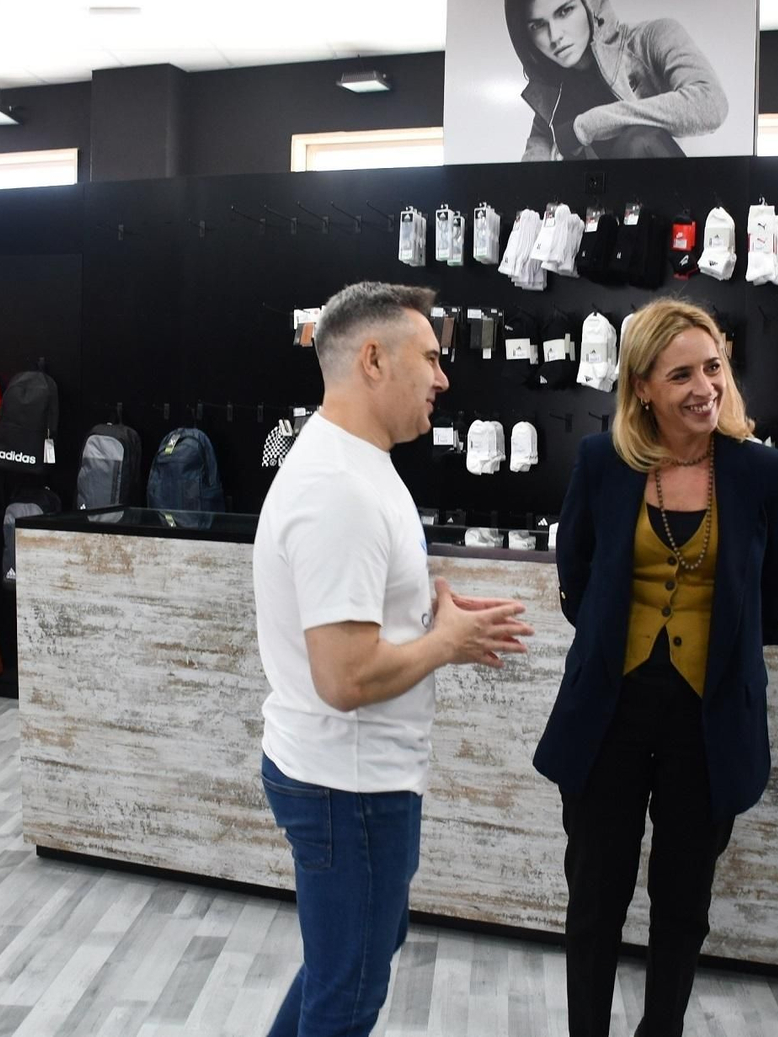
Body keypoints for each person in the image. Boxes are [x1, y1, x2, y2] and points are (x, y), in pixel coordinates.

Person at [253, 281, 535, 1037]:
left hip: (353, 777)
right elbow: (344, 677)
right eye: (431, 358)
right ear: (373, 359)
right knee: (347, 994)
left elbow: (362, 620)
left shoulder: (357, 463)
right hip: (347, 785)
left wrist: (430, 620)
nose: (444, 377)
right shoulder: (339, 490)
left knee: (343, 970)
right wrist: (447, 643)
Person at [535, 299, 778, 1037]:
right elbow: (577, 574)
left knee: (684, 904)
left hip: (707, 718)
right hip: (610, 712)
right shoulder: (603, 461)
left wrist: (728, 655)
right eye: (681, 374)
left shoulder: (760, 470)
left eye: (713, 368)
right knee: (595, 897)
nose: (704, 387)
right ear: (642, 387)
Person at [504, 0, 728, 161]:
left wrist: (587, 126)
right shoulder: (551, 97)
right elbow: (532, 172)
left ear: (590, 2)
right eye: (537, 25)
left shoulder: (652, 38)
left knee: (639, 139)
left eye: (565, 11)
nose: (555, 36)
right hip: (601, 199)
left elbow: (711, 104)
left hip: (670, 192)